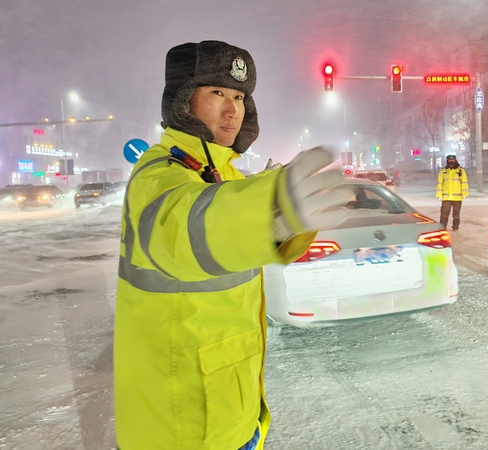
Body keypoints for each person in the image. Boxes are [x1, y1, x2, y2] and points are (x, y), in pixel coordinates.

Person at [113, 40, 353, 450]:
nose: (232, 110)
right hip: (181, 425)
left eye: (240, 96)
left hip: (232, 409)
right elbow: (185, 225)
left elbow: (256, 237)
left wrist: (287, 216)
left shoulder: (222, 173)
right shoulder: (160, 172)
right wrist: (270, 206)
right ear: (183, 101)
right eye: (217, 93)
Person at [436, 155, 469, 231]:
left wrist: (464, 194)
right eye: (449, 161)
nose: (451, 162)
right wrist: (439, 195)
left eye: (452, 160)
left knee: (456, 215)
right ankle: (442, 228)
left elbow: (464, 183)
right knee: (444, 215)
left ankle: (455, 228)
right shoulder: (443, 171)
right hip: (446, 198)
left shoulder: (460, 171)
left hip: (457, 198)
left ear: (455, 160)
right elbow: (439, 184)